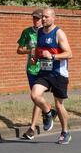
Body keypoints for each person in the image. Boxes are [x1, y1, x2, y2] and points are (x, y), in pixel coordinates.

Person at [26, 8, 73, 144]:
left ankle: (65, 132)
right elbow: (39, 49)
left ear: (53, 18)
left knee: (59, 105)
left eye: (46, 17)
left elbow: (69, 54)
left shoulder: (59, 33)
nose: (43, 19)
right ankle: (48, 112)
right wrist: (36, 56)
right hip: (44, 72)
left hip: (58, 73)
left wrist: (52, 56)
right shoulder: (40, 32)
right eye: (43, 17)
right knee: (35, 95)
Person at [17, 9, 43, 140]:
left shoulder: (47, 32)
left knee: (37, 96)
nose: (36, 21)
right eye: (34, 18)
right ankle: (48, 111)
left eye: (38, 19)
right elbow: (19, 50)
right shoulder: (27, 32)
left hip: (44, 69)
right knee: (35, 97)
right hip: (32, 69)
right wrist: (30, 51)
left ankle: (32, 128)